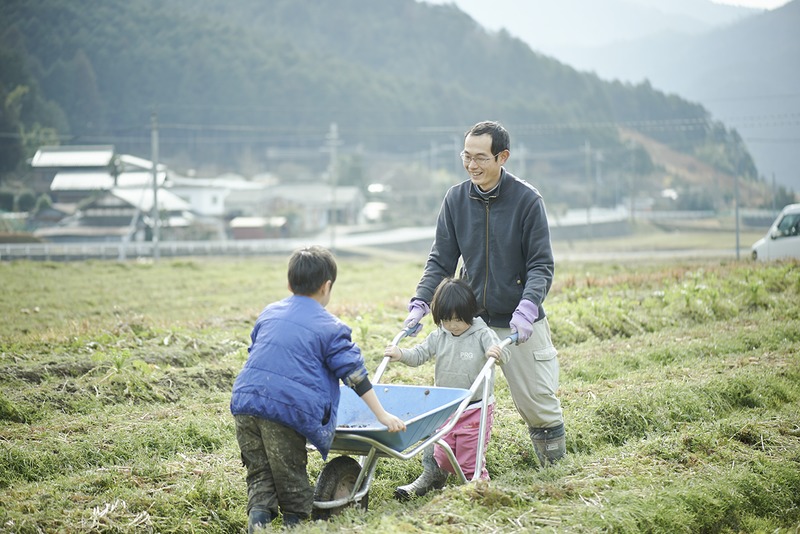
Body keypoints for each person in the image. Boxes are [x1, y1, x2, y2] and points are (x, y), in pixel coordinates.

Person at [404, 120, 566, 470]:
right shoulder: (456, 199)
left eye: (481, 157)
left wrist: (527, 307)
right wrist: (421, 301)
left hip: (519, 321)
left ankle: (554, 470)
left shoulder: (527, 201)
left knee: (537, 401)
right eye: (466, 155)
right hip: (470, 323)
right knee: (454, 401)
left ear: (502, 156)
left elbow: (541, 264)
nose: (472, 164)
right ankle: (437, 473)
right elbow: (441, 259)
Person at [230, 246, 406, 531]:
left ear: (289, 284)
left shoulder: (269, 313)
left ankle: (257, 525)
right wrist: (382, 415)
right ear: (327, 287)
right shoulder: (330, 327)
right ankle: (294, 524)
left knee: (260, 477)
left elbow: (256, 352)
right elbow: (354, 375)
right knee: (292, 483)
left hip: (245, 403)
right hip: (283, 410)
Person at [386, 277, 509, 499]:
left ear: (470, 313)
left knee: (469, 456)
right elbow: (419, 354)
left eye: (458, 320)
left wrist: (496, 353)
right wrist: (400, 354)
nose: (452, 325)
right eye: (446, 320)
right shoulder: (439, 336)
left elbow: (502, 352)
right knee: (442, 452)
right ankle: (438, 479)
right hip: (446, 404)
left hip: (474, 407)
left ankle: (478, 489)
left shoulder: (482, 334)